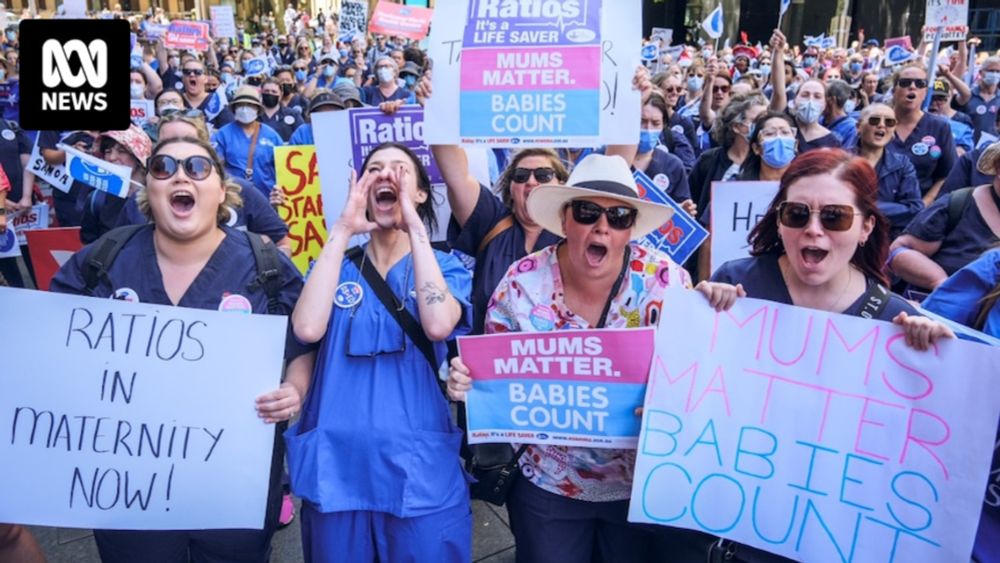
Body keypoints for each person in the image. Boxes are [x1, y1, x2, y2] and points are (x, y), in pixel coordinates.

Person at [445, 154, 743, 563]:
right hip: (547, 486)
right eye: (588, 212)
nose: (602, 226)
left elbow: (698, 375)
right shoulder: (521, 281)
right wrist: (467, 379)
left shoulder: (666, 282)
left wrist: (718, 309)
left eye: (619, 216)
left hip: (639, 489)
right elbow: (492, 369)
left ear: (631, 230)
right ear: (565, 220)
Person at [50, 136, 315, 563]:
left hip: (234, 488)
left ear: (221, 190)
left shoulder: (263, 263)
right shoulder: (104, 257)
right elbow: (53, 338)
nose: (179, 175)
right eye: (163, 167)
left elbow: (303, 340)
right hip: (129, 493)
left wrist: (295, 389)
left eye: (196, 167)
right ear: (148, 191)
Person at [708, 152, 952, 561]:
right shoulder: (736, 285)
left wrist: (938, 361)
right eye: (797, 215)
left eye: (835, 217)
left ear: (865, 227)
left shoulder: (896, 320)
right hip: (744, 534)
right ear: (780, 220)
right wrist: (702, 321)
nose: (813, 231)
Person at [287, 142, 473, 561]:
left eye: (400, 170)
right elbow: (307, 327)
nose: (387, 176)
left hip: (417, 475)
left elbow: (438, 323)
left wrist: (416, 229)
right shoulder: (336, 263)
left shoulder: (449, 266)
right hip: (337, 472)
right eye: (375, 170)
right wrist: (341, 231)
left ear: (422, 192)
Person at [117, 111, 291, 253]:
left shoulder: (242, 191)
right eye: (167, 142)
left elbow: (282, 243)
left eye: (188, 140)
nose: (178, 148)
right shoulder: (138, 201)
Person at [889, 142, 1000, 295]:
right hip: (937, 315)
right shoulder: (959, 204)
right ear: (998, 166)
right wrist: (942, 284)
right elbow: (900, 251)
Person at [886, 64, 957, 204]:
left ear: (926, 92)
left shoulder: (940, 127)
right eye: (905, 83)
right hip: (878, 209)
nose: (912, 87)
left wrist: (923, 206)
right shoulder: (877, 121)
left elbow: (946, 175)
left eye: (920, 83)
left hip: (920, 212)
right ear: (894, 90)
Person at [853, 103, 923, 238]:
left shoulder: (903, 165)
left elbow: (914, 208)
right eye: (874, 120)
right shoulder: (840, 160)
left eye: (889, 122)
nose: (882, 125)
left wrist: (863, 208)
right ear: (858, 127)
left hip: (886, 239)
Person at [768, 30, 841, 153]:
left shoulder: (832, 142)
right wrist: (778, 52)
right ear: (795, 100)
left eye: (817, 96)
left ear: (825, 103)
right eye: (805, 95)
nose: (810, 101)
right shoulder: (784, 122)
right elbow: (779, 91)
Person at [80, 125, 153, 243]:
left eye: (121, 151)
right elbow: (88, 247)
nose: (112, 158)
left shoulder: (157, 198)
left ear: (138, 156)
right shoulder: (96, 199)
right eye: (108, 152)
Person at [211, 85, 283, 197]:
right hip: (234, 196)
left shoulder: (271, 135)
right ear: (234, 108)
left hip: (266, 197)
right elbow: (216, 167)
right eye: (241, 105)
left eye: (250, 105)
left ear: (258, 109)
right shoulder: (222, 135)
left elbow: (283, 167)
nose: (245, 109)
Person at [634, 92, 694, 212]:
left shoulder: (673, 165)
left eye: (655, 123)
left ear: (664, 125)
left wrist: (683, 211)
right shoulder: (610, 157)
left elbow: (683, 208)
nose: (648, 129)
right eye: (642, 121)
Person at [956, 55, 1000, 143]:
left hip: (994, 150)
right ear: (980, 72)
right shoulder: (968, 95)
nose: (995, 74)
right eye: (991, 71)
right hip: (969, 147)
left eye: (998, 71)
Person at [180, 57, 234, 128]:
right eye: (187, 72)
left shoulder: (219, 102)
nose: (192, 74)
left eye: (197, 72)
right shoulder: (175, 99)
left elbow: (228, 133)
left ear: (205, 78)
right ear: (182, 77)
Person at [929, 78, 975, 156]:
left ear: (950, 97)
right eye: (931, 98)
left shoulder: (962, 121)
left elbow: (964, 154)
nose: (934, 103)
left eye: (940, 99)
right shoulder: (919, 119)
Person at [259, 77, 304, 142]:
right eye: (266, 91)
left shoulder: (293, 114)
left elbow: (302, 136)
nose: (270, 94)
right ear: (261, 92)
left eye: (274, 92)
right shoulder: (255, 115)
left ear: (281, 94)